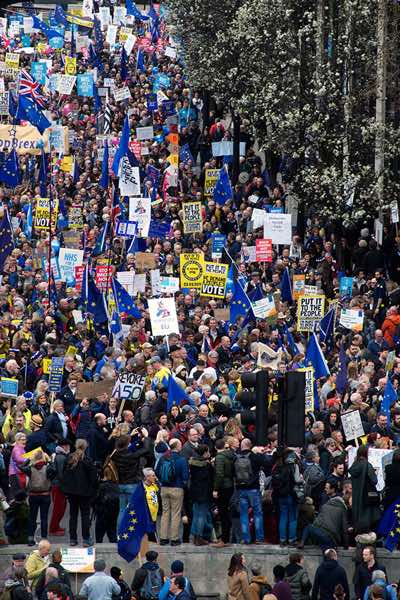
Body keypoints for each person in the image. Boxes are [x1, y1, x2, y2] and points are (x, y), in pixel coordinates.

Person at [60, 439, 98, 547]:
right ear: (86, 447)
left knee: (73, 515)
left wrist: (66, 490)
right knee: (85, 515)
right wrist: (92, 491)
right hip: (85, 493)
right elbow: (93, 478)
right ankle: (86, 538)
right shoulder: (87, 460)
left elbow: (64, 475)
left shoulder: (69, 458)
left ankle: (73, 538)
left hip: (72, 492)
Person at [156, 439, 189, 546]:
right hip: (177, 488)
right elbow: (185, 476)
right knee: (175, 514)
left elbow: (156, 472)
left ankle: (163, 538)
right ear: (177, 446)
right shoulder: (181, 459)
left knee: (165, 513)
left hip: (164, 488)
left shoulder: (163, 458)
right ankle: (174, 539)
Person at [349, 446, 381, 535]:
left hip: (356, 496)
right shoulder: (367, 465)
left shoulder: (354, 465)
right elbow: (374, 480)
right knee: (367, 520)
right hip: (366, 496)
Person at [212, 437, 236, 548]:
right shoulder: (231, 455)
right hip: (231, 485)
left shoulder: (220, 457)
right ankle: (226, 537)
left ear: (216, 447)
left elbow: (219, 474)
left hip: (223, 487)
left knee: (223, 513)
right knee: (226, 512)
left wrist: (216, 489)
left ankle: (224, 539)